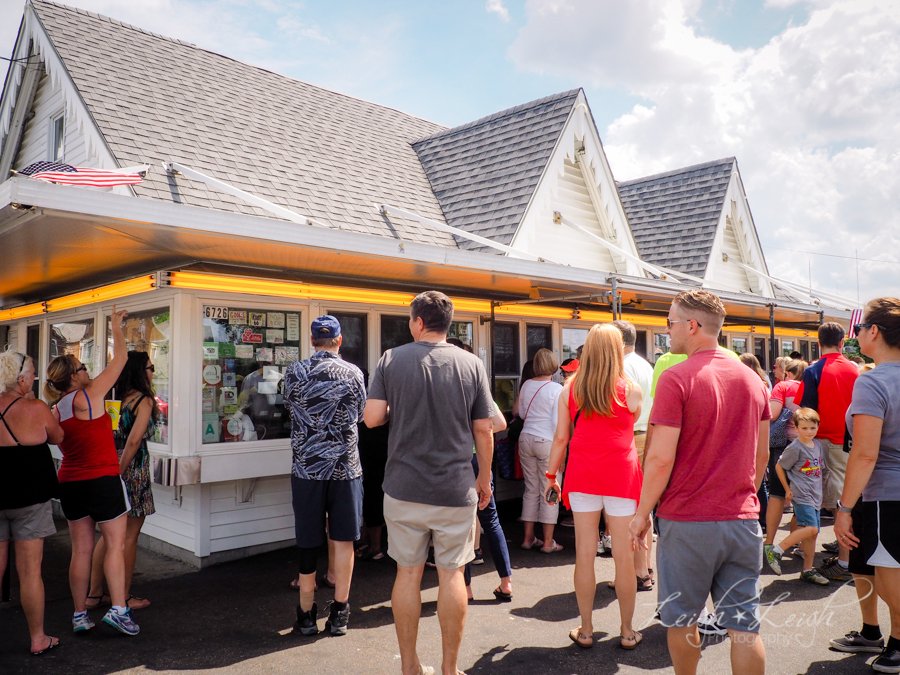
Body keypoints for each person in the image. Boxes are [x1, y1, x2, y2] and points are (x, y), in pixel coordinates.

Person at [630, 289, 770, 675]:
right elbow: (761, 456)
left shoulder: (676, 378)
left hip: (688, 519)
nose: (667, 330)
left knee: (682, 620)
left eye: (671, 322)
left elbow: (659, 458)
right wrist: (743, 496)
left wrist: (641, 513)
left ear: (692, 326)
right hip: (742, 519)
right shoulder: (753, 380)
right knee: (744, 626)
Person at [364, 291, 494, 675]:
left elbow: (372, 418)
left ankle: (409, 666)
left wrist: (398, 405)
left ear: (419, 322)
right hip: (455, 488)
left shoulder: (391, 359)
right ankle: (450, 668)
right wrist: (484, 477)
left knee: (408, 573)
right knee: (452, 572)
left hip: (403, 487)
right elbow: (484, 428)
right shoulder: (471, 364)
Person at [545, 323, 643, 650]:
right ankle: (628, 632)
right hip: (622, 476)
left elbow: (561, 438)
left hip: (583, 474)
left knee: (584, 556)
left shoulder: (569, 390)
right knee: (623, 559)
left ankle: (586, 630)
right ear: (617, 351)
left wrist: (550, 475)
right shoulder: (631, 390)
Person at [44, 307, 139, 635]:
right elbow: (122, 358)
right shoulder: (89, 395)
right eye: (83, 367)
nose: (87, 371)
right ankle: (118, 608)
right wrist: (115, 326)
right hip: (101, 479)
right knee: (115, 544)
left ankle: (79, 614)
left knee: (81, 549)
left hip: (70, 482)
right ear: (73, 377)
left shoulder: (56, 409)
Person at [283, 315, 366, 637]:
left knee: (307, 540)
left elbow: (291, 409)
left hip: (306, 467)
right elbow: (359, 415)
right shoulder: (353, 373)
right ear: (339, 340)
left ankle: (305, 613)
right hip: (345, 468)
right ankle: (341, 612)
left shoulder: (295, 372)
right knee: (344, 539)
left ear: (313, 339)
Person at [834, 298, 900, 672]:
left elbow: (864, 454)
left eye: (859, 328)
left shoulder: (873, 381)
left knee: (891, 585)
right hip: (886, 492)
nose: (857, 335)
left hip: (887, 495)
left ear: (873, 332)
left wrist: (844, 509)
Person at [0, 351, 64, 654]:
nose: (36, 378)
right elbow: (57, 437)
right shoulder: (36, 407)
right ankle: (37, 638)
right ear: (20, 378)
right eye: (33, 373)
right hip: (30, 498)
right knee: (30, 572)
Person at [86, 352, 159, 611]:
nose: (153, 372)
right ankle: (124, 596)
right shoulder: (144, 400)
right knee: (129, 537)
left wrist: (111, 468)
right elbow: (135, 440)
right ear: (140, 371)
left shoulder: (112, 397)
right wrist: (121, 470)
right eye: (150, 367)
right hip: (132, 468)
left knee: (107, 535)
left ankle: (94, 593)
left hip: (107, 462)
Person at [796, 322, 858, 581]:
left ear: (819, 343)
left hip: (824, 444)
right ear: (842, 342)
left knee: (835, 505)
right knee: (847, 501)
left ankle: (845, 564)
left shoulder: (814, 370)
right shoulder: (856, 369)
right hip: (851, 442)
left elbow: (806, 412)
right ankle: (847, 558)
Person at [612, 320, 655, 590]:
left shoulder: (623, 367)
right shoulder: (644, 364)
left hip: (630, 437)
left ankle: (636, 572)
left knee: (628, 509)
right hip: (647, 436)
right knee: (643, 504)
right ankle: (645, 565)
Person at [764, 408, 829, 584]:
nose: (809, 432)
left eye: (812, 428)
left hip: (815, 495)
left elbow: (819, 471)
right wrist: (787, 488)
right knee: (812, 529)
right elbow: (779, 466)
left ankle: (808, 570)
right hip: (801, 495)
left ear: (817, 427)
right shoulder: (795, 447)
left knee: (812, 535)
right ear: (796, 428)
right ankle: (776, 550)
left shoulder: (818, 446)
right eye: (805, 428)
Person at [514, 348, 563, 553]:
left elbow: (522, 413)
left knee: (531, 489)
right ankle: (549, 542)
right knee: (550, 489)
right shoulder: (556, 389)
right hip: (547, 442)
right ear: (552, 365)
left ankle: (528, 538)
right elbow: (555, 423)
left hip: (525, 439)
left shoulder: (526, 385)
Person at [765, 359, 805, 550]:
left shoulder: (782, 386)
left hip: (784, 444)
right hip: (807, 444)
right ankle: (795, 542)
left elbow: (772, 413)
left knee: (777, 494)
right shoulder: (810, 386)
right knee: (801, 496)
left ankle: (769, 541)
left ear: (788, 373)